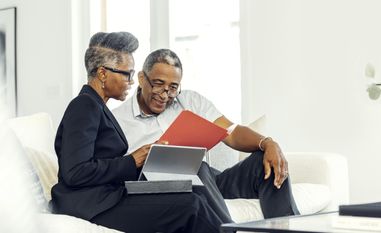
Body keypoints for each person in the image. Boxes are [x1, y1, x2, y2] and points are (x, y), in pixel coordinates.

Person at [50, 32, 224, 233]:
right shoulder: (83, 105)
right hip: (91, 204)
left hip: (108, 196)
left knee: (192, 196)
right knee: (191, 206)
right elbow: (75, 172)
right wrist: (133, 160)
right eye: (127, 74)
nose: (132, 82)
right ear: (103, 73)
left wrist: (148, 162)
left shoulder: (97, 107)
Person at [112, 49, 300, 224]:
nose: (165, 94)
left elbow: (232, 132)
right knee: (192, 166)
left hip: (206, 181)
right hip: (163, 191)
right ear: (142, 78)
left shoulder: (191, 101)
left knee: (261, 161)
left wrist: (267, 143)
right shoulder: (118, 120)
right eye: (159, 84)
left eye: (173, 87)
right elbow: (116, 173)